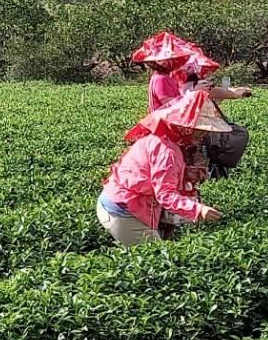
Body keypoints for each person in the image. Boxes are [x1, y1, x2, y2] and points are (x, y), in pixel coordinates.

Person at [97, 91, 230, 246]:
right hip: (124, 210)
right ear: (184, 127)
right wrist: (198, 210)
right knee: (157, 260)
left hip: (119, 202)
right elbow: (165, 194)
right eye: (199, 129)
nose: (203, 135)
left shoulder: (165, 137)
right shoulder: (168, 151)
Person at [132, 32, 252, 111]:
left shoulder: (167, 78)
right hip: (165, 129)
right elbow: (170, 107)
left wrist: (234, 93)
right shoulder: (161, 79)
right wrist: (194, 92)